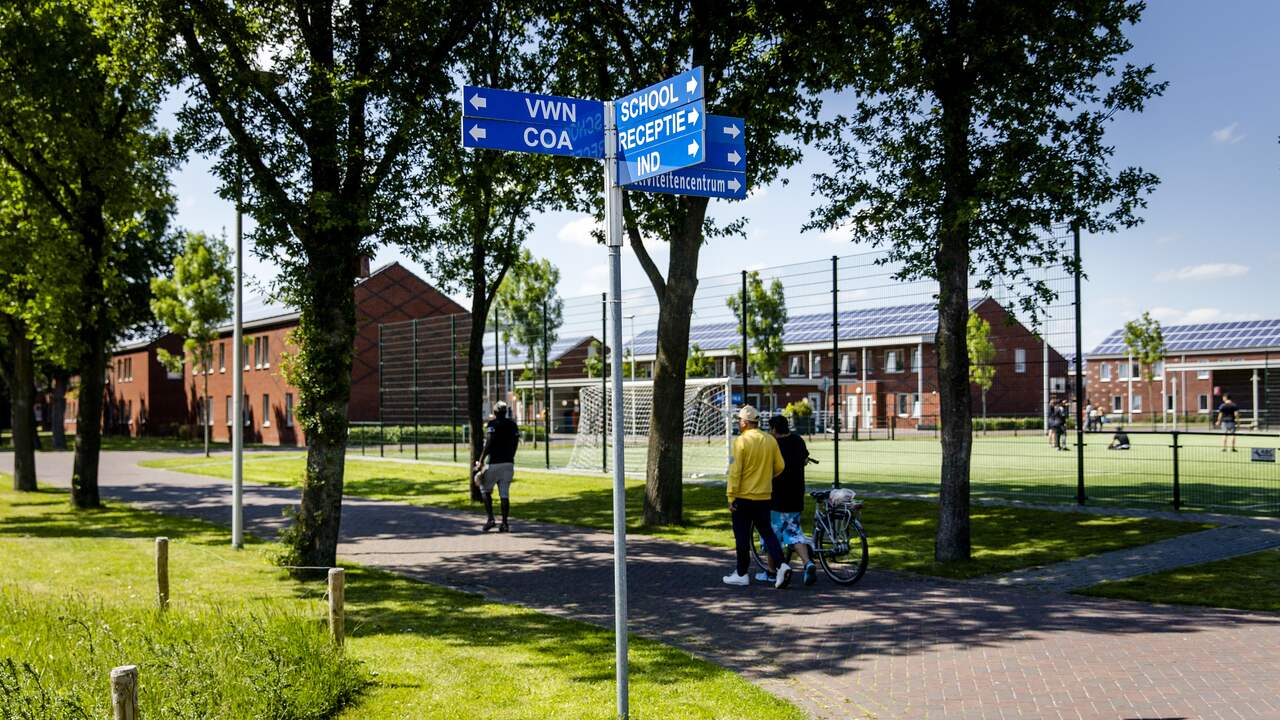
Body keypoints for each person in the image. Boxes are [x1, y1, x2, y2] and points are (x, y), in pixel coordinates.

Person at [723, 405, 792, 589]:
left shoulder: (741, 441)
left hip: (743, 496)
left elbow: (735, 472)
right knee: (767, 532)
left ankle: (741, 573)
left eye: (739, 420)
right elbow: (780, 466)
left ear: (745, 422)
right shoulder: (769, 440)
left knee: (742, 536)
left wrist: (731, 495)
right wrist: (765, 477)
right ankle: (781, 564)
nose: (738, 423)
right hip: (764, 495)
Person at [764, 414, 817, 586]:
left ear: (773, 429)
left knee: (773, 534)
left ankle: (772, 572)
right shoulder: (798, 440)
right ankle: (807, 563)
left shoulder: (773, 445)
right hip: (796, 494)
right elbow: (804, 459)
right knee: (794, 532)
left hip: (777, 496)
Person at [474, 400, 520, 532]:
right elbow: (516, 442)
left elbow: (489, 442)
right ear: (506, 412)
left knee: (484, 488)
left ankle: (491, 519)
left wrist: (481, 459)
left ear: (494, 412)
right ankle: (505, 523)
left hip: (494, 462)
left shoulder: (492, 424)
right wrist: (511, 455)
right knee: (504, 494)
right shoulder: (512, 425)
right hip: (508, 463)